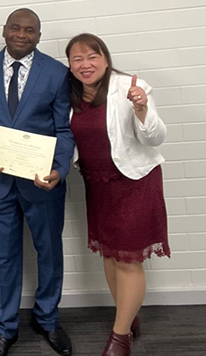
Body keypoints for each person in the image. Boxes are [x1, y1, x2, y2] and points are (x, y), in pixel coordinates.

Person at [0, 8, 75, 356]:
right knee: (2, 256)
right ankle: (5, 328)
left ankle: (48, 319)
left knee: (49, 252)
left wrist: (59, 170)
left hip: (42, 182)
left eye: (29, 30)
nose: (21, 34)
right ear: (4, 31)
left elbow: (63, 129)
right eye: (15, 28)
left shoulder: (57, 73)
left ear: (38, 36)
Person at [65, 33, 170, 356]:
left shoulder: (129, 88)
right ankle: (128, 313)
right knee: (110, 255)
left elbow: (155, 138)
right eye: (77, 59)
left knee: (128, 260)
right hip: (98, 184)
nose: (85, 64)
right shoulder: (69, 95)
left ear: (106, 59)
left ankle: (120, 337)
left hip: (135, 182)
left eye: (92, 57)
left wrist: (142, 109)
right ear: (70, 65)